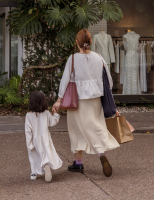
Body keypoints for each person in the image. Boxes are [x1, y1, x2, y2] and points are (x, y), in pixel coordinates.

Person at [52, 29, 120, 177]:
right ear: (91, 42)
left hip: (78, 101)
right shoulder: (99, 57)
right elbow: (109, 81)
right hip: (96, 100)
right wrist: (111, 103)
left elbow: (64, 81)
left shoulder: (73, 59)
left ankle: (80, 161)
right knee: (97, 126)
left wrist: (59, 100)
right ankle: (98, 154)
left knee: (76, 129)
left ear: (77, 42)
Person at [25, 90, 63, 182]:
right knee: (46, 153)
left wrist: (29, 144)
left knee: (33, 156)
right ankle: (46, 164)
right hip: (45, 138)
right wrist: (55, 114)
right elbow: (52, 122)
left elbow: (28, 131)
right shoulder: (46, 113)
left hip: (34, 140)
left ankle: (34, 172)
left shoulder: (29, 116)